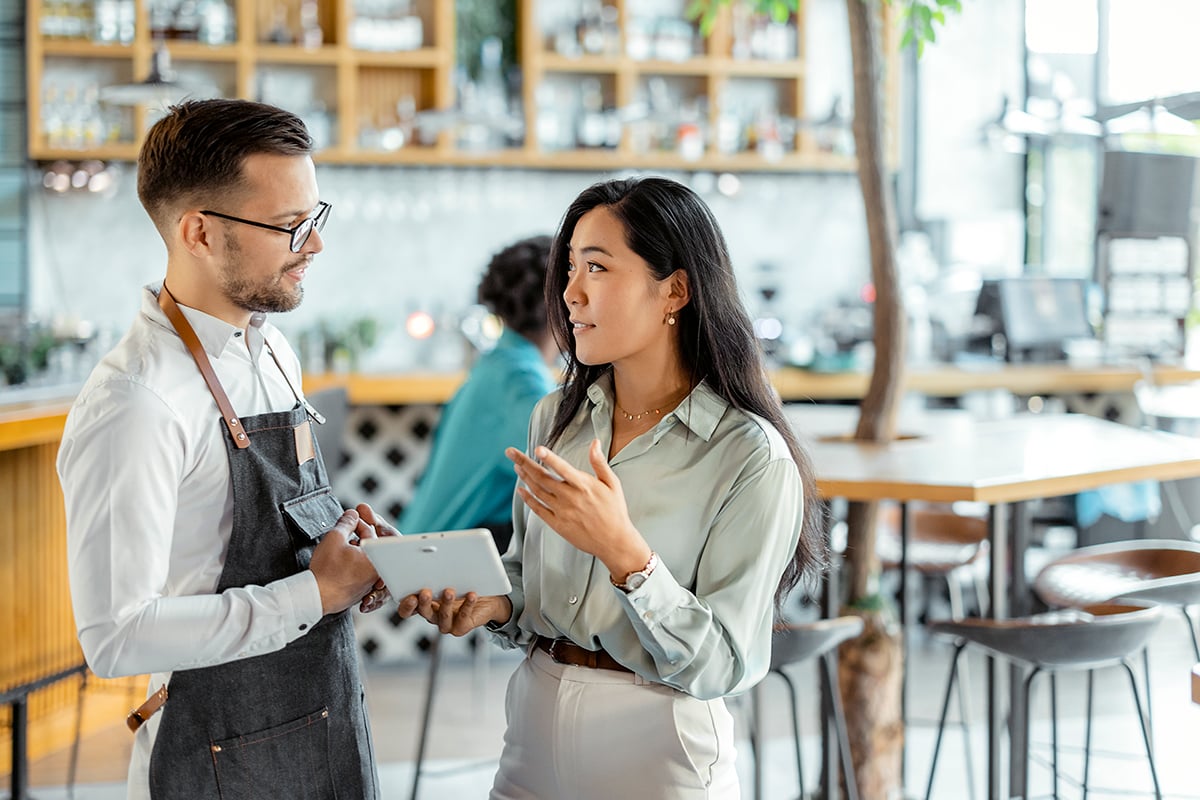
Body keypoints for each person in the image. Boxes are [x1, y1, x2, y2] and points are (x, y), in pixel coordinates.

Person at [399, 176, 827, 799]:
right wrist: (494, 602)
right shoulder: (556, 418)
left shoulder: (749, 455)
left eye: (596, 267)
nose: (569, 294)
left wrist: (626, 555)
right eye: (569, 268)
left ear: (674, 290)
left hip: (659, 746)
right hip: (533, 729)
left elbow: (725, 664)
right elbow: (530, 577)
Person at [57, 98, 392, 800]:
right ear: (199, 232)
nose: (316, 244)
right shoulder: (135, 403)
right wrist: (314, 591)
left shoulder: (274, 351)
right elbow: (117, 637)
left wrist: (347, 549)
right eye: (288, 226)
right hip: (215, 757)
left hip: (322, 722)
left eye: (315, 216)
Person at [399, 235, 558, 552]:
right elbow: (566, 477)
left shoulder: (498, 364)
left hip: (419, 549)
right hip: (436, 570)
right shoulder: (522, 382)